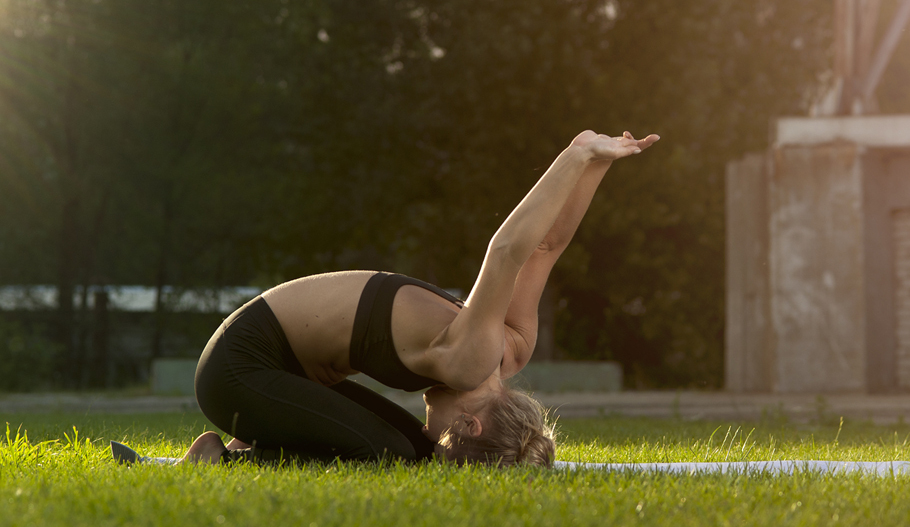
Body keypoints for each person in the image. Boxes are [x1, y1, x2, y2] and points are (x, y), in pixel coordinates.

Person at [184, 129, 659, 467]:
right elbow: (508, 251)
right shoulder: (469, 363)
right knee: (388, 455)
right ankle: (217, 462)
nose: (436, 437)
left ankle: (259, 443)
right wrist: (573, 161)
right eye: (445, 444)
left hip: (278, 372)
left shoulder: (511, 349)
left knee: (408, 450)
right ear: (470, 426)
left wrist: (594, 161)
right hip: (239, 368)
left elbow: (544, 249)